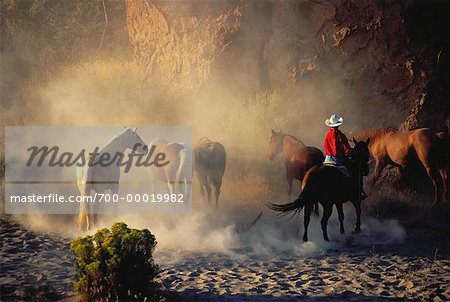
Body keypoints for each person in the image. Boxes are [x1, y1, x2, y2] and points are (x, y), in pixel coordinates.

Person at [323, 113, 368, 200]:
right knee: (354, 172)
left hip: (327, 159)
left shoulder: (327, 135)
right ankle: (358, 192)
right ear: (338, 125)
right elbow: (347, 150)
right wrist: (356, 152)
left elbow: (325, 147)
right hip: (338, 161)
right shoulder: (340, 135)